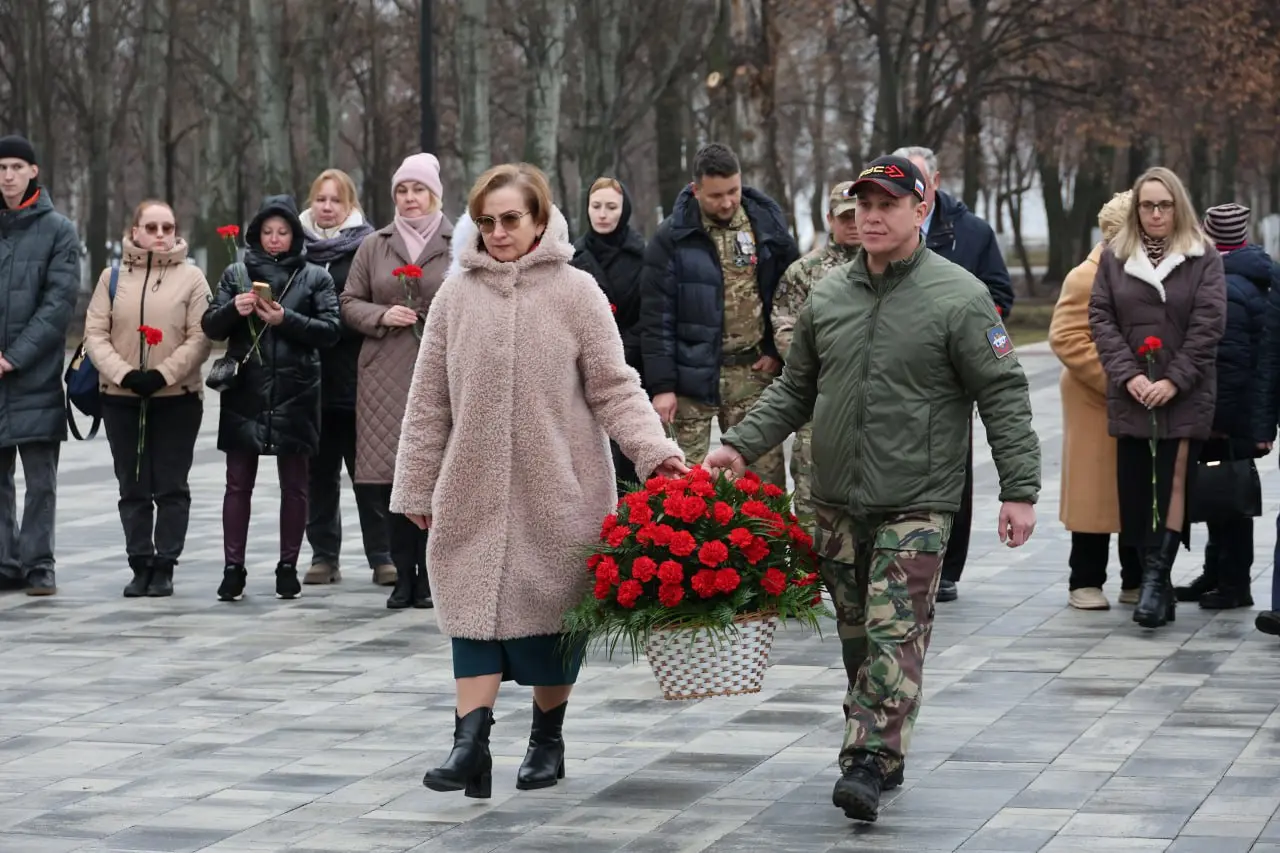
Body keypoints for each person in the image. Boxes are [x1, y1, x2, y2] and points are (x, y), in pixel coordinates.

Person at [706, 155, 1040, 823]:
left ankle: (864, 755)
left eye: (889, 202)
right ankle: (883, 749)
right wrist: (737, 445)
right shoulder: (829, 296)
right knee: (857, 636)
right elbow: (796, 390)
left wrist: (1019, 489)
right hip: (834, 498)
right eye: (864, 203)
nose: (873, 215)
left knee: (896, 630)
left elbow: (1003, 392)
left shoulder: (960, 297)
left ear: (921, 210)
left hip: (917, 498)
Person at [390, 163, 685, 799]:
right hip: (469, 486)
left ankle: (546, 736)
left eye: (512, 220)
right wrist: (415, 486)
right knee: (469, 616)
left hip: (560, 488)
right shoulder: (453, 294)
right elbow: (428, 401)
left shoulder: (577, 291)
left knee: (553, 621)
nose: (498, 232)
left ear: (540, 221)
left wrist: (655, 454)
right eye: (488, 221)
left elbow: (614, 387)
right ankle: (470, 742)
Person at [1089, 167, 1226, 631]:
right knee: (1135, 486)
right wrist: (1129, 375)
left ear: (1178, 206)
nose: (1154, 213)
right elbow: (1101, 318)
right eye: (1147, 205)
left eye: (1163, 205)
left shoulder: (1202, 256)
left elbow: (1209, 324)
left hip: (1183, 392)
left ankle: (1154, 579)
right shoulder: (1114, 255)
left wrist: (1174, 380)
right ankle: (1156, 583)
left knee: (1172, 484)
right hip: (1132, 392)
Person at [202, 196, 341, 602]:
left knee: (296, 485)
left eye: (283, 232)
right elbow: (210, 325)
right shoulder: (237, 272)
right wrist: (234, 308)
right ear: (256, 234)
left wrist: (287, 320)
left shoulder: (315, 276)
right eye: (268, 232)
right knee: (237, 483)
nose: (275, 239)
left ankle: (287, 567)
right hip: (246, 390)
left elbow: (331, 330)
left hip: (297, 391)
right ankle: (233, 568)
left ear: (295, 236)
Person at [894, 145, 1014, 603]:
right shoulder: (878, 230)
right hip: (899, 370)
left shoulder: (971, 231)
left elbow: (999, 291)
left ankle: (948, 567)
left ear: (935, 183)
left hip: (952, 373)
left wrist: (972, 324)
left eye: (919, 179)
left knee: (952, 470)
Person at [639, 142, 799, 486]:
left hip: (753, 375)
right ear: (696, 190)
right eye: (716, 195)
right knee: (689, 485)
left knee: (763, 485)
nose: (727, 202)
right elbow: (657, 317)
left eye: (733, 191)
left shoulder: (765, 224)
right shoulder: (672, 237)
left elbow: (788, 292)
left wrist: (775, 351)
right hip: (691, 379)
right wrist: (663, 385)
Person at [83, 200, 212, 598]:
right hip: (121, 397)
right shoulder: (111, 277)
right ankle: (139, 562)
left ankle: (166, 564)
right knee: (133, 485)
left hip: (177, 398)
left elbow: (201, 337)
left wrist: (162, 374)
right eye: (151, 227)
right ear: (135, 231)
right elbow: (95, 333)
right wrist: (124, 374)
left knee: (171, 486)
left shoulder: (192, 278)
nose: (160, 235)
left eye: (167, 227)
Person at [340, 153, 453, 610]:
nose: (409, 198)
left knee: (436, 475)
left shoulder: (456, 240)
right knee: (390, 480)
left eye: (418, 190)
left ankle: (431, 576)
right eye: (402, 191)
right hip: (384, 372)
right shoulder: (374, 244)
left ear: (435, 194)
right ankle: (401, 573)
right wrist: (382, 314)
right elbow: (348, 301)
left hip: (438, 367)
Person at [299, 169, 394, 588]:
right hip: (309, 383)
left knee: (369, 475)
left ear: (349, 205)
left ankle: (382, 555)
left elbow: (368, 306)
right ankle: (324, 555)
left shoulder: (367, 248)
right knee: (317, 477)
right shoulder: (296, 248)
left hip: (358, 379)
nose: (326, 207)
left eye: (335, 200)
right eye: (321, 199)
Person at [1048, 191, 1142, 610]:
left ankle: (1137, 579)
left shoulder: (1145, 271)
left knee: (1138, 492)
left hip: (1140, 400)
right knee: (1094, 495)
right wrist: (1119, 379)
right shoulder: (1085, 276)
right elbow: (1066, 337)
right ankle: (1085, 581)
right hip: (1096, 399)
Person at [1174, 203, 1269, 611]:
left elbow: (1226, 363)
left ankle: (1232, 583)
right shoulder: (1254, 273)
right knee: (1224, 496)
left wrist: (1217, 421)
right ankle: (1219, 574)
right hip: (1243, 410)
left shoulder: (1226, 283)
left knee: (1227, 499)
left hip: (1225, 413)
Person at [0, 135, 79, 596]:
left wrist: (13, 357)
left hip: (34, 376)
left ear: (33, 172)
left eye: (15, 166)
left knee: (39, 480)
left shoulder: (58, 230)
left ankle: (38, 564)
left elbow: (57, 306)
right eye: (1, 167)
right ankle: (5, 562)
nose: (7, 175)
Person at [771, 180, 860, 522]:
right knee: (810, 491)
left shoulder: (885, 264)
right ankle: (811, 568)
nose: (852, 224)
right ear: (829, 219)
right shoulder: (804, 271)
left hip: (871, 403)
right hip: (818, 397)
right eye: (844, 217)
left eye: (857, 215)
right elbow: (784, 324)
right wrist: (820, 365)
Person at [571, 177, 647, 488]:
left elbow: (651, 314)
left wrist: (620, 347)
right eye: (596, 206)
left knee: (629, 456)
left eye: (611, 207)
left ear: (624, 210)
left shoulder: (642, 255)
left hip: (632, 365)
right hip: (583, 369)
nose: (603, 214)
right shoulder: (572, 256)